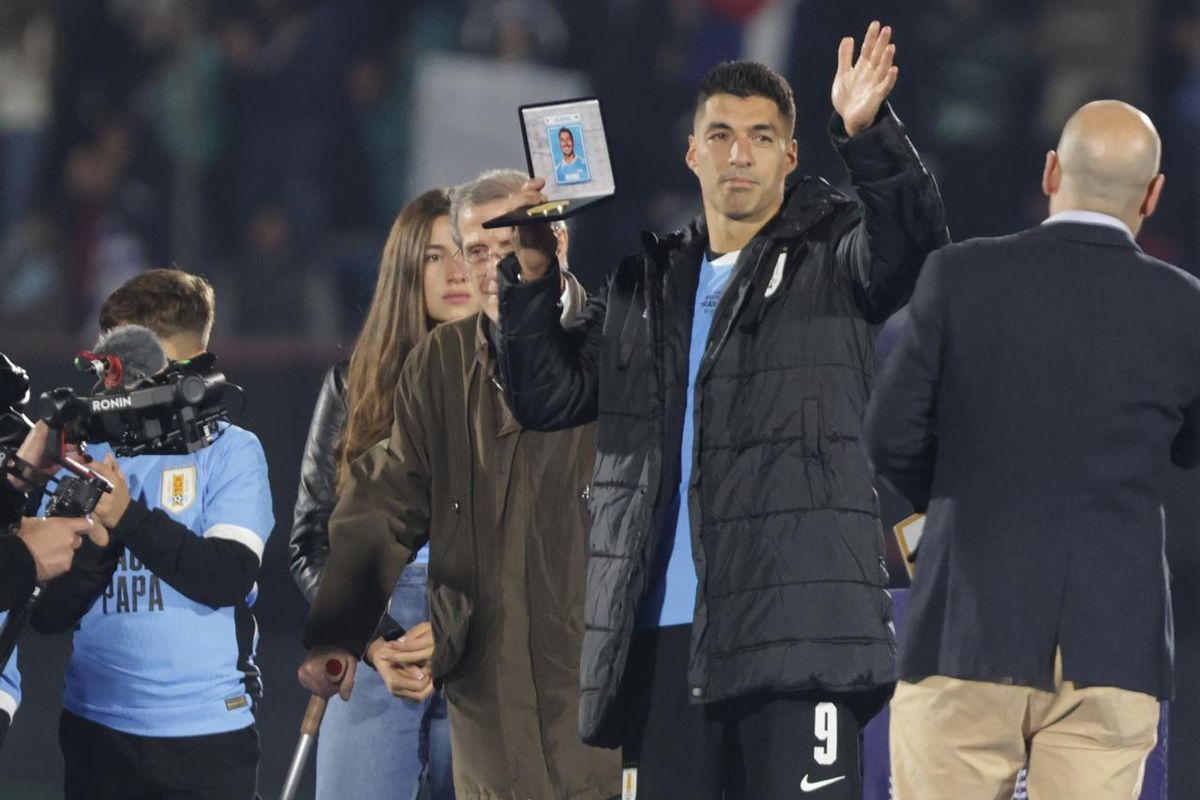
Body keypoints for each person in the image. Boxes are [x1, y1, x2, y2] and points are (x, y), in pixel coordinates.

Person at [492, 24, 948, 799]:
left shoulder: (833, 255)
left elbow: (913, 244)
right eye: (722, 136)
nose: (740, 154)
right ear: (692, 154)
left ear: (792, 156)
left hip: (801, 633)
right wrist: (533, 277)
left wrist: (867, 133)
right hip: (666, 637)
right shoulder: (645, 285)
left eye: (761, 137)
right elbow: (545, 398)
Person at [863, 100, 1199, 800]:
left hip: (966, 624)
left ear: (1051, 172)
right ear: (1153, 194)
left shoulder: (958, 276)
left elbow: (890, 439)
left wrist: (962, 504)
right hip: (1110, 646)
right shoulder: (1185, 307)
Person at [299, 169, 619, 800]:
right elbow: (379, 503)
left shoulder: (619, 342)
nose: (492, 268)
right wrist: (348, 631)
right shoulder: (440, 363)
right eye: (478, 251)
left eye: (509, 247)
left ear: (556, 240)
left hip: (591, 691)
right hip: (485, 705)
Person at [30, 269, 274, 800]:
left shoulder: (234, 451)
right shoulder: (85, 455)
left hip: (206, 733)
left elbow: (226, 577)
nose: (115, 382)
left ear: (186, 366)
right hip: (97, 728)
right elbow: (46, 613)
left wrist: (126, 518)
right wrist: (95, 549)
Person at [290, 188, 475, 800]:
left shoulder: (526, 384)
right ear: (404, 272)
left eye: (467, 253)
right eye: (432, 257)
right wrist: (373, 640)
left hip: (485, 639)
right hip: (374, 642)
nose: (455, 272)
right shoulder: (351, 386)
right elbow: (310, 543)